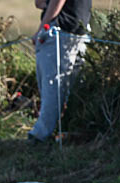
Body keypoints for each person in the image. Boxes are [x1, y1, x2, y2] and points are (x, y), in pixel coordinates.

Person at [28, 0, 91, 144]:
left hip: (60, 29)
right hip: (80, 26)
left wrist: (41, 29)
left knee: (52, 85)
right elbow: (40, 3)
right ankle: (69, 129)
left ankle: (41, 135)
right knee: (74, 87)